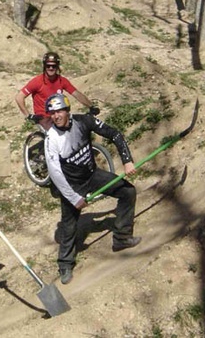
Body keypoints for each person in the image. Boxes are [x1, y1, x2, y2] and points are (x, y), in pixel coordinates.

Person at [44, 93, 142, 285]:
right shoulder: (51, 139)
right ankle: (65, 264)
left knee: (127, 191)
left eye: (59, 111)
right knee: (69, 224)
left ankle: (121, 237)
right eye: (52, 113)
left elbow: (115, 134)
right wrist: (74, 198)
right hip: (70, 184)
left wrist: (127, 160)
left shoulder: (84, 121)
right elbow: (55, 174)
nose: (56, 116)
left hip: (92, 175)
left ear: (67, 110)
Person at [15, 51, 100, 131]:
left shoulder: (62, 81)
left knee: (77, 128)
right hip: (44, 117)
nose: (51, 68)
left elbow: (76, 94)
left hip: (59, 115)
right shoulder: (37, 82)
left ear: (57, 66)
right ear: (44, 66)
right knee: (56, 136)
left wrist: (91, 106)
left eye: (54, 66)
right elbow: (19, 97)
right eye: (48, 66)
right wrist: (28, 115)